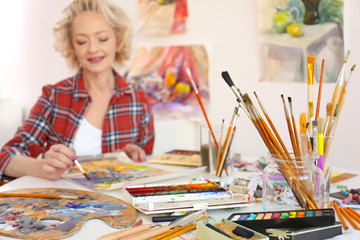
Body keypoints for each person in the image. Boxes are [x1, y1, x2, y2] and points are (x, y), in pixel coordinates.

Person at [0, 0, 154, 182]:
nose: (92, 49)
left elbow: (147, 166)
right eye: (81, 41)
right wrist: (43, 168)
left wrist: (132, 158)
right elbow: (6, 158)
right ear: (72, 47)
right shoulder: (54, 97)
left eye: (102, 39)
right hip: (64, 206)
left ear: (118, 41)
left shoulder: (138, 100)